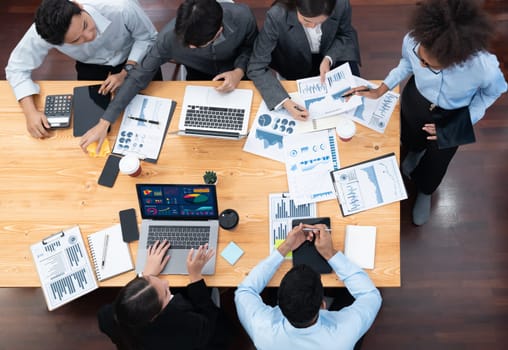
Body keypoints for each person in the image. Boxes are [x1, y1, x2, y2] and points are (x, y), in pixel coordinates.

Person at [349, 0, 507, 226]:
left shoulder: (484, 67)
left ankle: (425, 191)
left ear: (455, 61)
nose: (421, 66)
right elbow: (406, 62)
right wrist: (381, 89)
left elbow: (492, 93)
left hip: (454, 116)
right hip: (416, 100)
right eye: (420, 57)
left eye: (429, 64)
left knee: (438, 161)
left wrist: (462, 122)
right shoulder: (416, 38)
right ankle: (414, 152)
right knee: (410, 136)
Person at [79, 0, 258, 153]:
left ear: (218, 31)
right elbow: (138, 76)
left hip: (239, 74)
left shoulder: (243, 17)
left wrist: (239, 71)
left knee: (247, 136)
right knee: (200, 141)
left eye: (196, 46)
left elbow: (252, 48)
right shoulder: (169, 37)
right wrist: (104, 121)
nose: (190, 48)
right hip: (199, 76)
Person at [5, 0, 160, 139]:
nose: (89, 35)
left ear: (78, 6)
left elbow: (147, 37)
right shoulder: (44, 33)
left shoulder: (121, 7)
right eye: (76, 40)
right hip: (91, 65)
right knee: (90, 123)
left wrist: (126, 72)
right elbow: (17, 68)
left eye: (85, 25)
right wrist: (30, 112)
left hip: (134, 57)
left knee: (153, 112)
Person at [234, 223, 382, 349]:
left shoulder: (263, 332)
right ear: (323, 304)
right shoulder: (342, 336)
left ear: (278, 303)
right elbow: (370, 295)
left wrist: (286, 246)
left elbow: (245, 291)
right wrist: (330, 253)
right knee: (346, 296)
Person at [97, 240, 231, 350]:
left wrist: (146, 274)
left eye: (148, 281)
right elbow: (208, 318)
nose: (167, 283)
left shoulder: (107, 317)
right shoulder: (188, 327)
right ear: (155, 315)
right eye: (166, 292)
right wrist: (195, 277)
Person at [247, 0, 360, 121]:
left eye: (320, 22)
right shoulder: (277, 15)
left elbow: (345, 34)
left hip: (330, 53)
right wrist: (285, 102)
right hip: (293, 62)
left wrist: (329, 58)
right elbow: (256, 66)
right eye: (307, 21)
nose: (313, 27)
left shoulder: (341, 4)